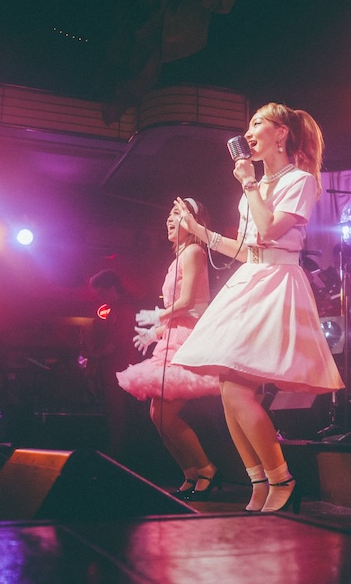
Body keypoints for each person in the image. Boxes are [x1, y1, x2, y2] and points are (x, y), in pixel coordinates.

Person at [171, 102, 345, 513]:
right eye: (248, 126)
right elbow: (245, 249)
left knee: (237, 389)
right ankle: (260, 480)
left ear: (281, 133)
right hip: (249, 277)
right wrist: (201, 232)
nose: (248, 133)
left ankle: (282, 479)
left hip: (276, 282)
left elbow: (268, 231)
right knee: (227, 388)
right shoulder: (255, 186)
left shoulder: (300, 181)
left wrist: (250, 183)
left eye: (257, 124)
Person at [116, 198, 222, 499]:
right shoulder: (179, 257)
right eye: (170, 214)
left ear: (192, 220)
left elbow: (190, 303)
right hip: (174, 336)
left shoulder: (194, 252)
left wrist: (158, 317)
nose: (169, 219)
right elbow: (184, 311)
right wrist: (156, 332)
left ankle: (207, 469)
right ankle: (191, 472)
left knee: (164, 415)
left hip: (188, 341)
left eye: (177, 213)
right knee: (157, 415)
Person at [88, 269, 141, 459]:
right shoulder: (116, 309)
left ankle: (117, 453)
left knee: (117, 413)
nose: (99, 296)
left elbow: (118, 342)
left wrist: (96, 354)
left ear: (112, 288)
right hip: (116, 368)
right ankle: (117, 451)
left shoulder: (123, 309)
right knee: (115, 412)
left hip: (119, 369)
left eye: (101, 292)